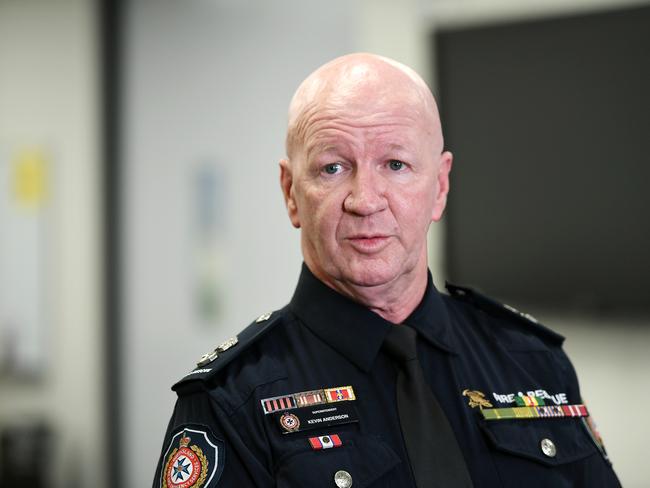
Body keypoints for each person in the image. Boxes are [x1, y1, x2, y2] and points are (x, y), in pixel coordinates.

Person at [152, 53, 621, 488]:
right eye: (333, 168)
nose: (365, 200)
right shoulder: (229, 402)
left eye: (395, 164)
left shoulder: (534, 363)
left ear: (439, 186)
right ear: (291, 192)